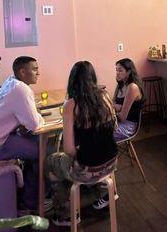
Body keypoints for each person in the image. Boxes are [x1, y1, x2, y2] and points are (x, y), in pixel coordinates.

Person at [46, 61, 118, 226]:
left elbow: (69, 150)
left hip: (88, 169)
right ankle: (106, 193)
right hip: (112, 162)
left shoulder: (70, 105)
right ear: (93, 78)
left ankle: (66, 214)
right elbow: (113, 127)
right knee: (91, 153)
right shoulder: (105, 95)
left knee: (50, 162)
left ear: (72, 80)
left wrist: (82, 149)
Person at [0, 56, 44, 212]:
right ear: (22, 72)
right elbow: (34, 124)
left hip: (2, 135)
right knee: (41, 152)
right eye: (35, 69)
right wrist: (37, 115)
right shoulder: (21, 89)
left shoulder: (10, 82)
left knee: (31, 141)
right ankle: (31, 202)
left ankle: (26, 194)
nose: (38, 73)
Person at [113, 58, 143, 141]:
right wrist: (117, 108)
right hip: (117, 121)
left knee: (96, 134)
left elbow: (122, 117)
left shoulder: (132, 87)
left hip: (127, 127)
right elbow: (112, 105)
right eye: (116, 70)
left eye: (120, 70)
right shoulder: (120, 85)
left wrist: (118, 108)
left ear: (129, 72)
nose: (117, 73)